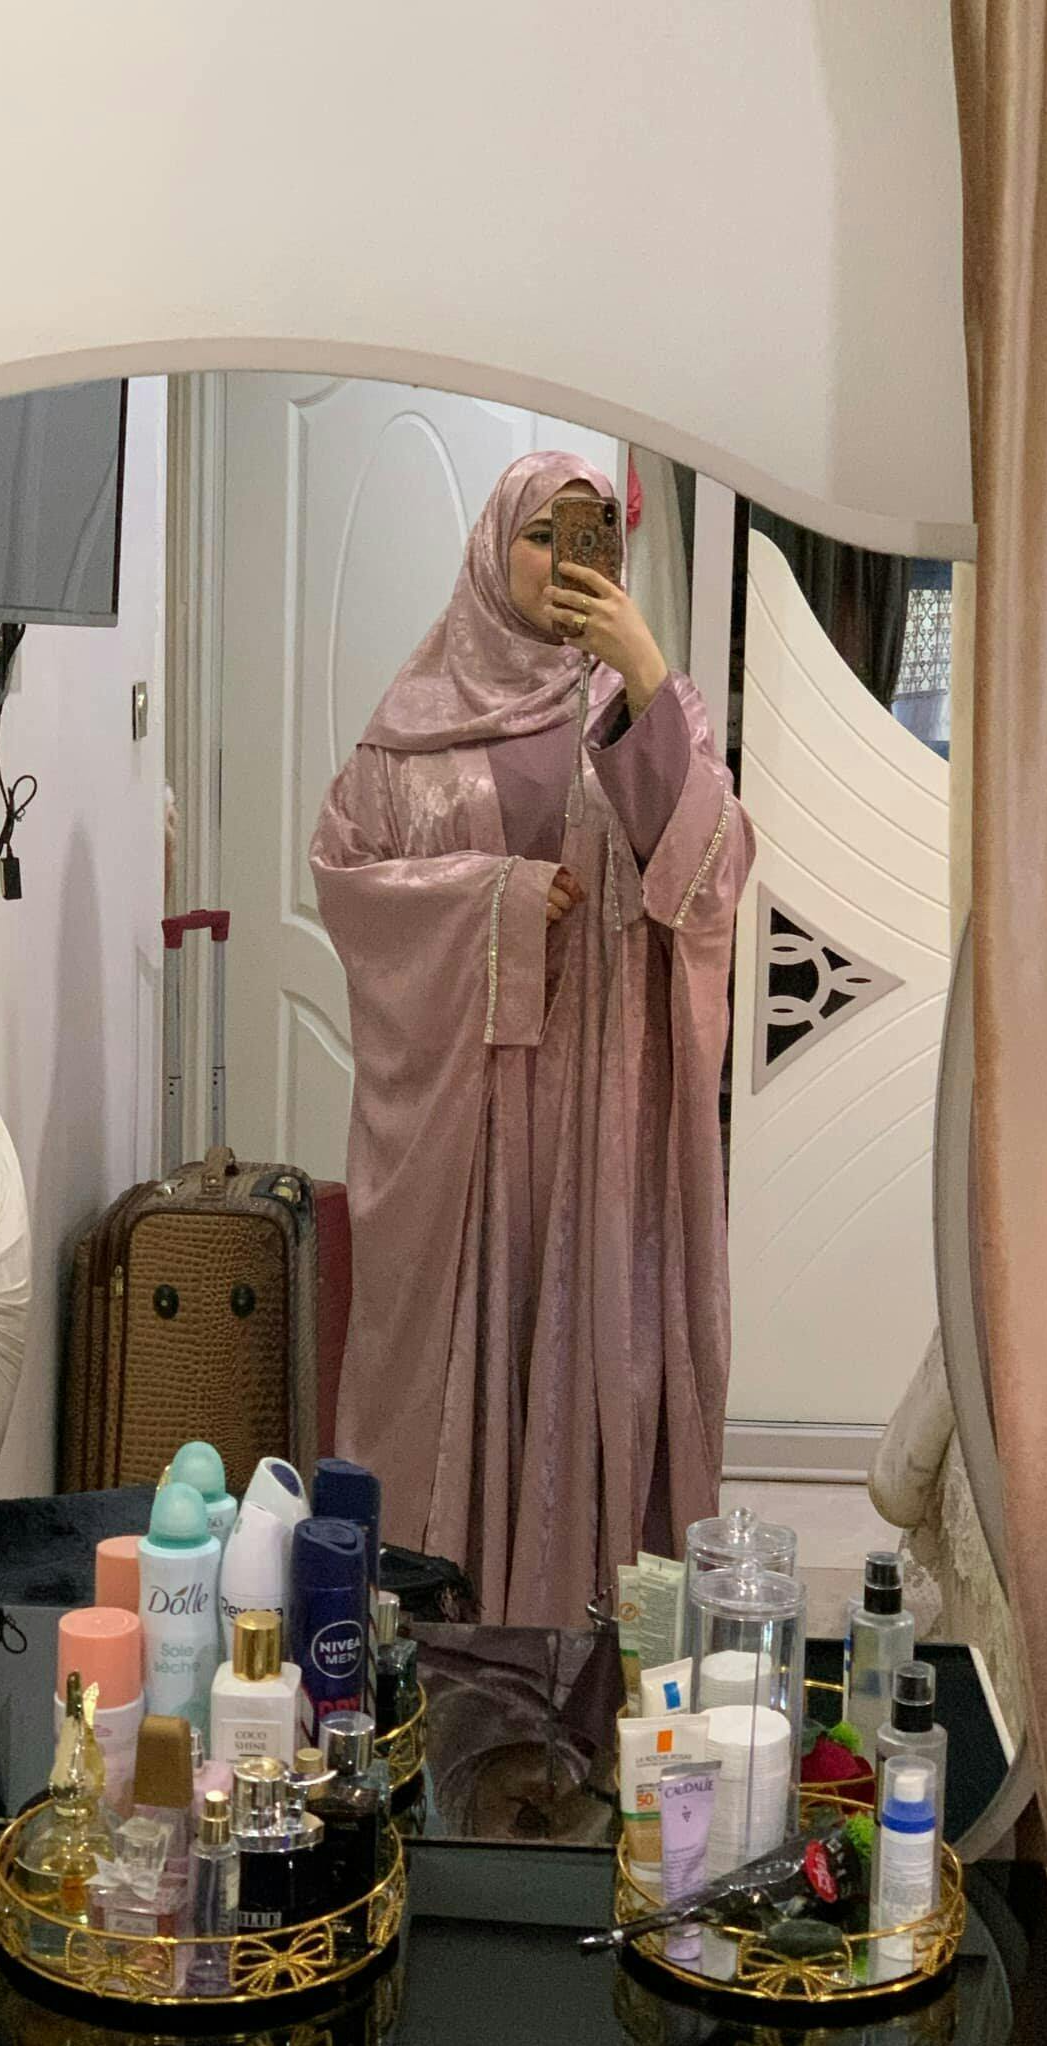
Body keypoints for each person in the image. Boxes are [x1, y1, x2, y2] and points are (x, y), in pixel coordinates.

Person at [311, 451, 753, 1625]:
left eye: (589, 536)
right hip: (467, 1128)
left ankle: (591, 1649)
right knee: (463, 1361)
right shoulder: (408, 733)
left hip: (609, 1117)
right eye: (541, 535)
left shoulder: (644, 707)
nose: (565, 562)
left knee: (607, 1359)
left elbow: (711, 882)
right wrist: (494, 899)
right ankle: (442, 1650)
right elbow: (352, 884)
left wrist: (648, 676)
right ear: (491, 549)